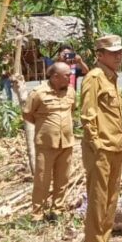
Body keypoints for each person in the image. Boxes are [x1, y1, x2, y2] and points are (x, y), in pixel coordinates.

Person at [79, 34, 122, 242]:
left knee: (110, 201)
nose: (119, 56)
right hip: (101, 149)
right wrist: (96, 145)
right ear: (100, 55)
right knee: (98, 201)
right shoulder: (94, 78)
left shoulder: (111, 78)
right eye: (114, 53)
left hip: (115, 147)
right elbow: (88, 116)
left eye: (120, 52)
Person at [23, 60, 76, 221]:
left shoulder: (71, 92)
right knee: (42, 180)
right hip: (46, 144)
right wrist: (46, 127)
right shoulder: (38, 93)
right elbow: (27, 114)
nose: (70, 77)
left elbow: (72, 110)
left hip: (66, 143)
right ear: (55, 77)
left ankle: (57, 210)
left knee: (63, 179)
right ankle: (37, 214)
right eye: (67, 75)